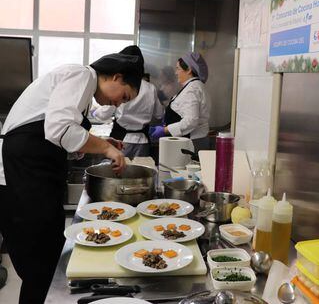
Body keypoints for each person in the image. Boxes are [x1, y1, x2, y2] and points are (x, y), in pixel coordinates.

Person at [0, 52, 143, 304]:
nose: (118, 105)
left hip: (35, 175)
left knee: (46, 260)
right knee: (39, 266)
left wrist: (101, 143)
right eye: (123, 97)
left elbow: (62, 139)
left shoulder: (84, 91)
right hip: (22, 174)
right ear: (116, 77)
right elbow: (60, 129)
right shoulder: (81, 75)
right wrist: (105, 148)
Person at [92, 45, 164, 158]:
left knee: (117, 172)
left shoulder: (120, 86)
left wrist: (94, 112)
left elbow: (103, 114)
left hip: (121, 140)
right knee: (139, 172)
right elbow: (159, 114)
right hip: (143, 141)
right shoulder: (150, 88)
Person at [150, 52, 210, 153]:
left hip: (192, 142)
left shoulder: (192, 89)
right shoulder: (193, 86)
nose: (176, 72)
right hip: (194, 140)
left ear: (189, 70)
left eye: (178, 68)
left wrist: (165, 130)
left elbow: (191, 120)